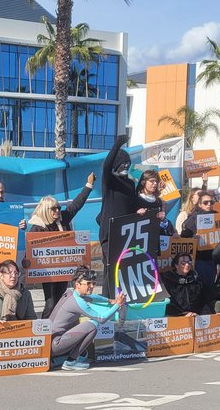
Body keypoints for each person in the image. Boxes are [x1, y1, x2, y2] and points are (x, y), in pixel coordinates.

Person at [26, 173, 95, 317]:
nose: (57, 210)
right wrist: (27, 263)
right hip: (48, 274)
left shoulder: (63, 219)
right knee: (50, 303)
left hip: (64, 270)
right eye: (54, 209)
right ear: (46, 210)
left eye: (58, 207)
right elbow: (29, 253)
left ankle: (58, 328)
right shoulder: (37, 227)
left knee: (60, 301)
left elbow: (76, 205)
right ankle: (45, 330)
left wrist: (89, 185)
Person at [46, 267, 127, 370]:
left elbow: (92, 297)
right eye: (88, 283)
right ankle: (70, 362)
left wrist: (110, 301)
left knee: (84, 353)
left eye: (93, 283)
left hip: (52, 342)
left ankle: (61, 359)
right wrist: (118, 304)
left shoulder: (71, 292)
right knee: (93, 325)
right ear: (78, 284)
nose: (92, 286)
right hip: (56, 343)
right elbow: (101, 319)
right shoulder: (77, 302)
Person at [97, 133, 138, 245]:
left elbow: (135, 203)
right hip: (109, 234)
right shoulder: (109, 180)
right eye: (122, 163)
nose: (126, 166)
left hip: (126, 234)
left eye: (128, 163)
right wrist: (117, 145)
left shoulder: (130, 183)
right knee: (111, 263)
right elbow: (107, 166)